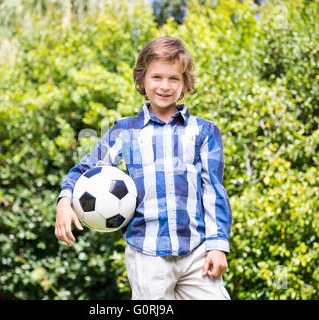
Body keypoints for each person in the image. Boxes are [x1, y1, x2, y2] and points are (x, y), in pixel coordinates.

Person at [55, 36, 232, 300]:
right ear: (142, 80)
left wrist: (217, 246)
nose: (165, 86)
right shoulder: (124, 131)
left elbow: (214, 192)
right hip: (147, 255)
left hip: (197, 252)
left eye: (174, 78)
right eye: (156, 77)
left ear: (185, 83)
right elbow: (84, 170)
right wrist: (64, 201)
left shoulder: (204, 132)